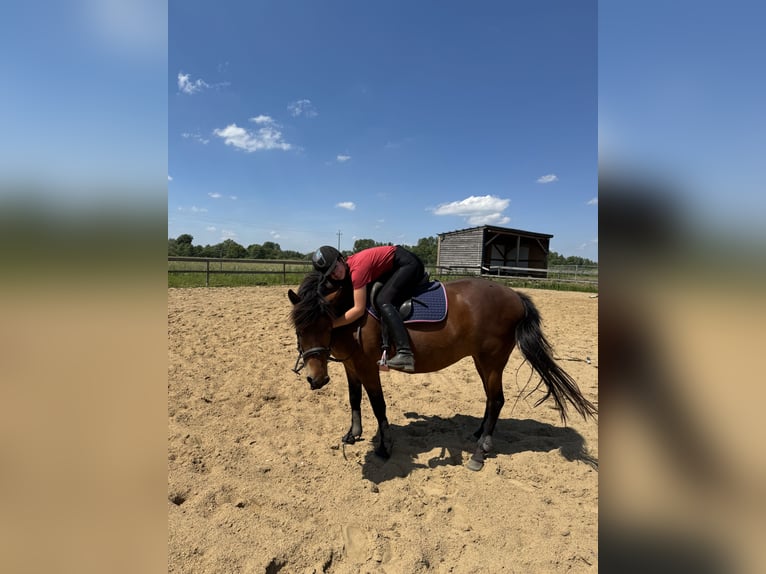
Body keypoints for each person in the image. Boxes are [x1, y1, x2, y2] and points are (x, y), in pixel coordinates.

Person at [312, 244, 425, 372]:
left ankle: (405, 352)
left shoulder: (357, 271)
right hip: (395, 265)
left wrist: (331, 325)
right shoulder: (347, 266)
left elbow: (358, 310)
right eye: (331, 273)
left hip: (408, 265)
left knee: (383, 300)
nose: (336, 274)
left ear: (341, 259)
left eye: (335, 268)